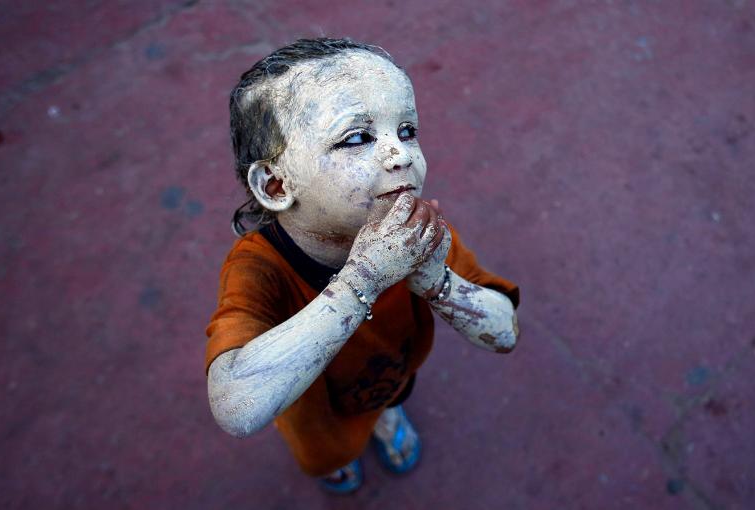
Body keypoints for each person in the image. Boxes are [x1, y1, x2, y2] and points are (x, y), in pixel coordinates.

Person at [205, 38, 520, 494]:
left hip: (388, 374)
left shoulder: (417, 235)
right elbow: (236, 406)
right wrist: (362, 280)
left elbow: (505, 331)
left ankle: (386, 415)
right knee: (327, 452)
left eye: (407, 130)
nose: (402, 155)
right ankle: (337, 462)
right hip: (315, 413)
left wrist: (435, 280)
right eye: (358, 137)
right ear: (276, 185)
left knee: (388, 395)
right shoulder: (259, 269)